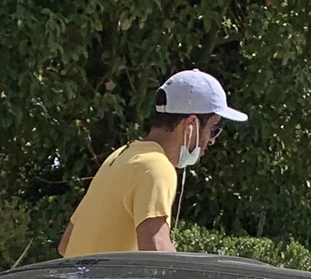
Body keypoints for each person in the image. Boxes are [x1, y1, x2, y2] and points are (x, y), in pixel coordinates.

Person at [58, 70, 246, 258]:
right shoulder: (156, 167)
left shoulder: (121, 156)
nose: (212, 140)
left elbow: (66, 246)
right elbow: (157, 254)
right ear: (191, 123)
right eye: (213, 129)